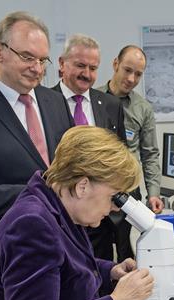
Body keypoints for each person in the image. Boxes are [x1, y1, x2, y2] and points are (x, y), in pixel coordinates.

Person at [0, 126, 154, 300]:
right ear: (82, 186)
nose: (114, 208)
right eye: (114, 197)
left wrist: (109, 270)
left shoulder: (55, 201)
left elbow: (60, 263)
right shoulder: (31, 226)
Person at [0, 12, 74, 277]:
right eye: (27, 57)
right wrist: (34, 195)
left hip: (64, 241)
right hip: (7, 248)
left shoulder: (54, 102)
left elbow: (70, 162)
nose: (38, 68)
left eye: (43, 60)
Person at [53, 34, 127, 261]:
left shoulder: (110, 105)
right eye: (80, 65)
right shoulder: (45, 102)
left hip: (101, 219)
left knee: (100, 274)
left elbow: (120, 157)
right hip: (62, 218)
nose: (87, 74)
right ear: (62, 63)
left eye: (93, 68)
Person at [98, 45, 164, 262]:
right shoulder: (93, 100)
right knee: (97, 252)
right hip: (96, 190)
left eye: (138, 74)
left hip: (128, 192)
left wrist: (153, 192)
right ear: (115, 64)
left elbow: (150, 154)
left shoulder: (142, 108)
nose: (132, 78)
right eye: (128, 70)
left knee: (128, 254)